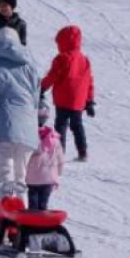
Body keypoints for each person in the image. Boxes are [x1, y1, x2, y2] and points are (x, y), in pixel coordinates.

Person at [0, 27, 39, 204]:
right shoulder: (29, 64)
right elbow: (35, 100)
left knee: (4, 183)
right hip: (28, 131)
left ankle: (6, 227)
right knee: (20, 182)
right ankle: (23, 228)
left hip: (2, 130)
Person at [40, 24, 95, 162]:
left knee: (61, 125)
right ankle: (83, 152)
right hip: (78, 101)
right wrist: (89, 101)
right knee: (77, 126)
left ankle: (60, 153)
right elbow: (89, 81)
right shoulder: (84, 60)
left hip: (63, 100)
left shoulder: (62, 58)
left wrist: (40, 88)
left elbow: (52, 76)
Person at [25, 119, 64, 211]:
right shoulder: (55, 140)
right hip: (48, 178)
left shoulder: (28, 139)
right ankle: (43, 223)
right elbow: (60, 159)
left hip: (31, 179)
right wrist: (59, 172)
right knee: (43, 205)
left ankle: (32, 223)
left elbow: (22, 158)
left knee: (32, 206)